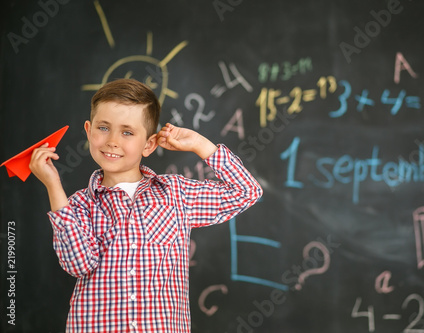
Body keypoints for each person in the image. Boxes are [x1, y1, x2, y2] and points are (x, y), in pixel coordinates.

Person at [29, 78, 263, 332]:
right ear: (88, 130)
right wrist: (53, 185)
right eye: (103, 128)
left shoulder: (176, 194)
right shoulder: (78, 205)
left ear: (149, 144)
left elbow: (246, 191)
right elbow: (77, 264)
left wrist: (199, 144)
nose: (112, 140)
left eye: (127, 132)